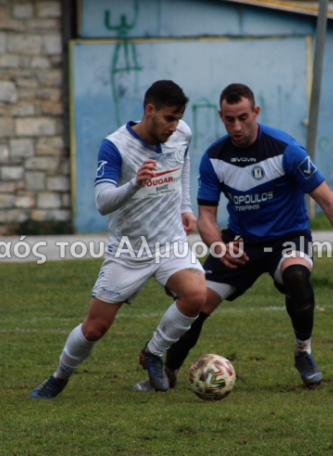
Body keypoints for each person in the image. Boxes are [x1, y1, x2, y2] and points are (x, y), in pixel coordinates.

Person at [135, 83, 333, 391]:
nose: (236, 126)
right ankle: (167, 373)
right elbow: (207, 218)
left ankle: (303, 353)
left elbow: (329, 200)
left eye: (243, 117)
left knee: (296, 276)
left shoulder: (287, 150)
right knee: (196, 302)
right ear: (221, 116)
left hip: (288, 238)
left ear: (256, 112)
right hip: (239, 243)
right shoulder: (214, 158)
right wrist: (219, 246)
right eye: (229, 119)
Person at [30, 80, 206, 398]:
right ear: (149, 110)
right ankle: (59, 376)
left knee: (196, 295)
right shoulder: (115, 146)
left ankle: (152, 352)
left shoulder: (182, 133)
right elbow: (103, 202)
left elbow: (183, 163)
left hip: (170, 241)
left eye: (178, 118)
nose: (174, 126)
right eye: (169, 118)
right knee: (95, 328)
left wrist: (185, 206)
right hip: (129, 250)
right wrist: (135, 184)